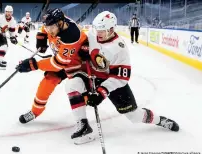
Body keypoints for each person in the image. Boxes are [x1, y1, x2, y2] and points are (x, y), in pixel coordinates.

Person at [65, 11, 179, 145]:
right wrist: (84, 49)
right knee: (72, 84)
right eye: (97, 29)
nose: (98, 33)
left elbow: (120, 78)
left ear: (112, 29)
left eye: (102, 30)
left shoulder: (119, 48)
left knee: (134, 116)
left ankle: (160, 120)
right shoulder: (92, 34)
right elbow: (73, 27)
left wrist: (102, 92)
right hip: (93, 77)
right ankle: (83, 126)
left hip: (112, 81)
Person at [16, 8, 87, 124]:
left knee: (79, 90)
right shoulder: (54, 22)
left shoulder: (71, 35)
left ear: (60, 23)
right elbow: (45, 27)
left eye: (51, 28)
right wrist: (41, 36)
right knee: (47, 82)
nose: (49, 31)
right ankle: (35, 112)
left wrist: (34, 65)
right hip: (62, 58)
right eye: (47, 27)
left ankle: (86, 100)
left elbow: (59, 64)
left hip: (78, 64)